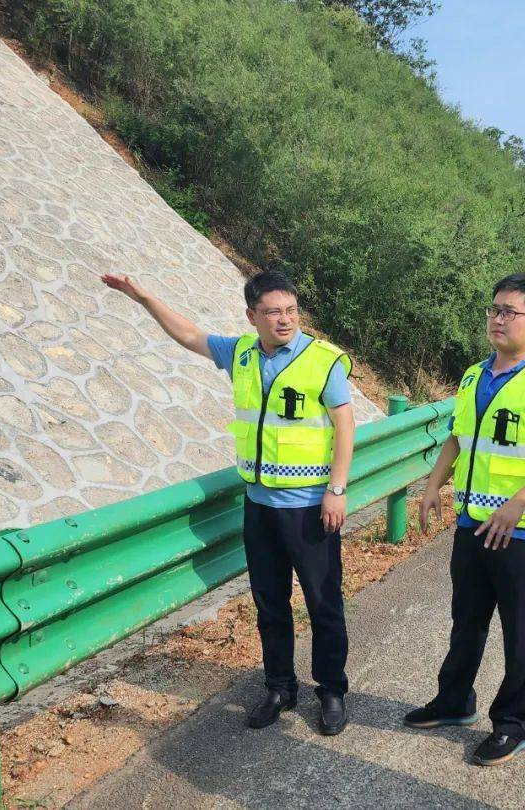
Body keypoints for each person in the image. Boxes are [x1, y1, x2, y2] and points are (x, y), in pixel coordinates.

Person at [101, 270, 355, 735]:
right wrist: (143, 298)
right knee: (269, 603)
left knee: (323, 603)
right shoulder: (240, 352)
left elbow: (344, 423)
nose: (285, 320)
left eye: (292, 310)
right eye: (273, 312)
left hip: (309, 508)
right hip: (259, 506)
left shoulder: (323, 360)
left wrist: (336, 489)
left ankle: (332, 690)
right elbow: (190, 334)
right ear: (252, 316)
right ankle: (279, 686)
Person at [405, 272, 525, 766]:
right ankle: (454, 701)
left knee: (522, 634)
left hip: (523, 534)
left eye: (510, 312)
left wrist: (520, 501)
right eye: (494, 310)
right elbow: (459, 437)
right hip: (472, 526)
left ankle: (513, 723)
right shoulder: (473, 375)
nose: (498, 319)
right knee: (466, 622)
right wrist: (434, 484)